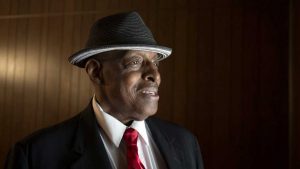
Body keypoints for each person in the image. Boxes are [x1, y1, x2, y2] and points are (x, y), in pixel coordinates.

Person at [4, 11, 204, 169]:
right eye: (135, 61)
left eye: (155, 63)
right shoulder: (36, 155)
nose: (155, 75)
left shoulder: (185, 143)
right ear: (95, 72)